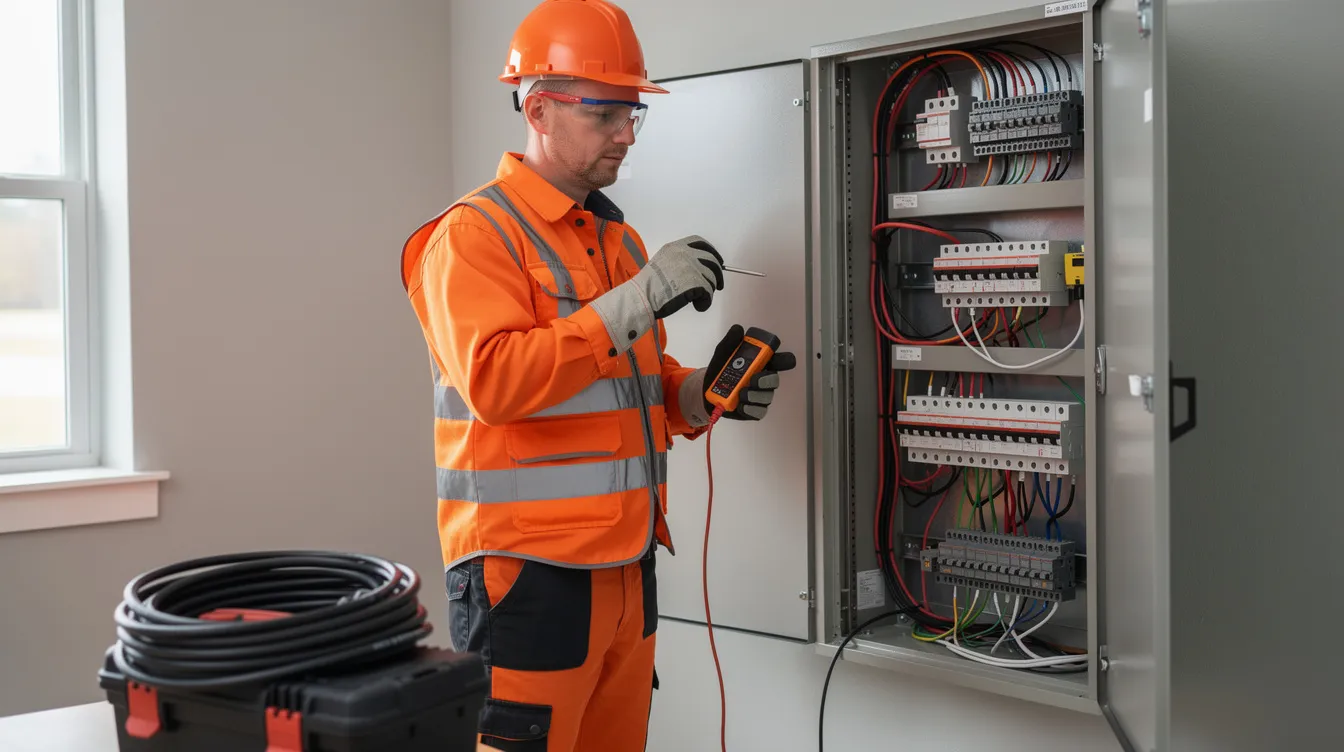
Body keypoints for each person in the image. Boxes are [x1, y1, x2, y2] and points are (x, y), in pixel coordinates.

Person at [398, 1, 795, 749]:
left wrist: (698, 394)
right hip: (529, 577)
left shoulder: (615, 238)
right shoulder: (472, 235)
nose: (626, 133)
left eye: (633, 114)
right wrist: (639, 297)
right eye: (606, 113)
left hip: (628, 564)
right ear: (540, 108)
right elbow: (496, 384)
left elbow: (630, 385)